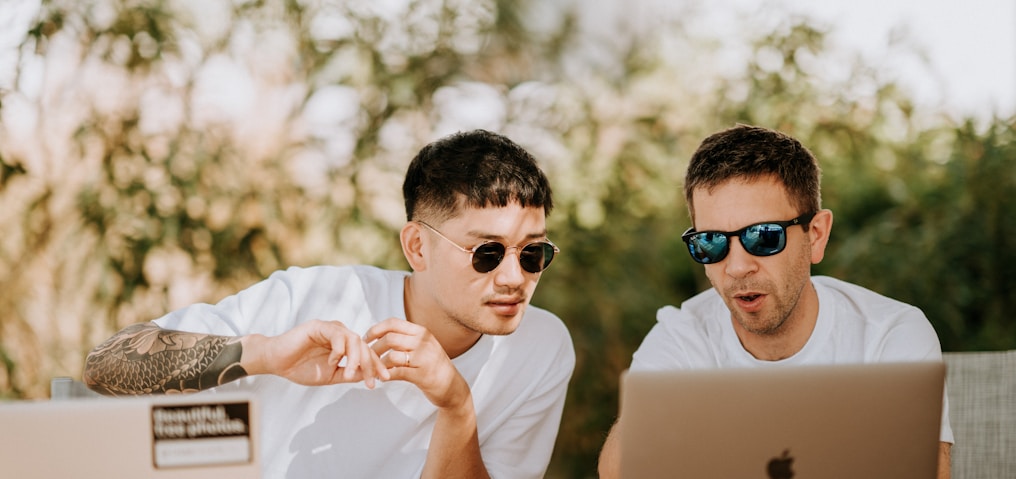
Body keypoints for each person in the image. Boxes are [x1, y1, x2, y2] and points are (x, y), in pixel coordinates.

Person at [82, 129, 575, 479]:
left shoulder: (541, 346)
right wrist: (264, 355)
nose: (515, 278)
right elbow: (105, 367)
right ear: (417, 247)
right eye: (486, 253)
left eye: (533, 253)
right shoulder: (314, 297)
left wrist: (456, 406)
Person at [597, 124, 953, 479]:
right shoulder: (684, 334)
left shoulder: (888, 334)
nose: (736, 267)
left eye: (763, 237)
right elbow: (620, 470)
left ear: (815, 236)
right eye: (711, 242)